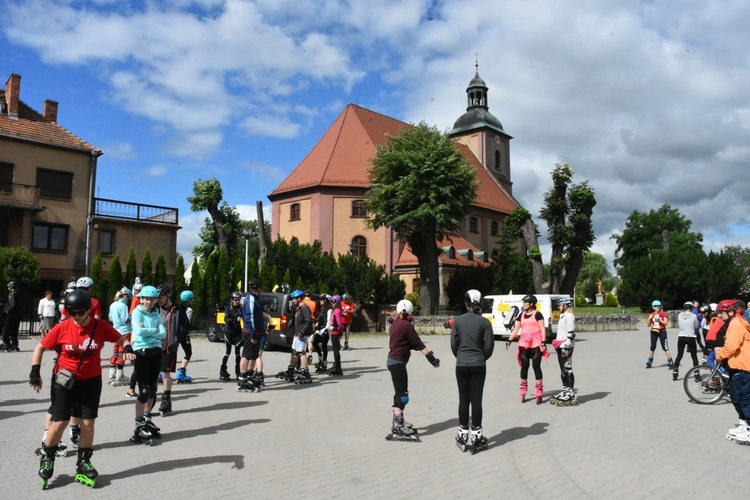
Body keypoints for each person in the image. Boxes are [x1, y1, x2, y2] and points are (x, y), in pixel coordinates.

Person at [29, 289, 134, 488]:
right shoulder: (63, 327)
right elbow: (40, 347)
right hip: (64, 381)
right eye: (72, 313)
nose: (76, 317)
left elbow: (121, 338)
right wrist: (35, 373)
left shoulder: (100, 326)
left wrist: (127, 348)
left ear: (88, 309)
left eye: (80, 312)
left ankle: (83, 462)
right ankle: (47, 455)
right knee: (60, 422)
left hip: (91, 381)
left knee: (88, 423)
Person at [386, 299, 440, 441]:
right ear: (410, 312)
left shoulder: (395, 323)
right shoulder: (406, 325)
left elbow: (401, 342)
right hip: (397, 362)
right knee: (403, 395)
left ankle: (399, 421)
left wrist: (410, 346)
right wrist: (432, 359)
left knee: (399, 392)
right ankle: (398, 425)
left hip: (393, 361)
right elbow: (419, 343)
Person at [451, 290, 493, 452]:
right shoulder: (484, 323)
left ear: (465, 302)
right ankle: (476, 434)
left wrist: (461, 356)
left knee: (463, 399)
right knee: (476, 400)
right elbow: (488, 346)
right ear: (480, 302)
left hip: (461, 364)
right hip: (478, 365)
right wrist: (481, 358)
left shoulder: (458, 321)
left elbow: (454, 344)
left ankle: (462, 433)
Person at [130, 285, 166, 444]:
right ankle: (138, 424)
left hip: (156, 351)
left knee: (153, 389)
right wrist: (155, 330)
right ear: (141, 299)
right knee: (144, 390)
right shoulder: (137, 312)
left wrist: (149, 330)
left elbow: (164, 333)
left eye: (152, 299)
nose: (149, 302)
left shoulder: (156, 312)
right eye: (146, 299)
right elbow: (138, 332)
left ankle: (147, 418)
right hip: (141, 352)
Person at [713, 299, 750, 444]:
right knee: (736, 398)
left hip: (742, 367)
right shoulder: (736, 323)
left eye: (721, 313)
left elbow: (731, 347)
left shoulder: (735, 324)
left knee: (743, 399)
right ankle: (743, 424)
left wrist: (719, 355)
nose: (719, 316)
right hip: (737, 366)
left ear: (731, 312)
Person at [156, 283, 191, 416]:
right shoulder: (155, 309)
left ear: (168, 296)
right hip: (155, 346)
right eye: (157, 298)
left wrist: (178, 338)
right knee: (154, 375)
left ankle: (166, 399)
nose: (158, 300)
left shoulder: (177, 310)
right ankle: (151, 398)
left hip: (169, 347)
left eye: (161, 297)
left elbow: (187, 326)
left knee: (165, 374)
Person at [506, 294, 547, 404]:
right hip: (524, 343)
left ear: (532, 304)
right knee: (524, 366)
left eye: (525, 302)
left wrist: (543, 342)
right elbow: (516, 328)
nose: (523, 304)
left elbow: (542, 329)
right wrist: (509, 340)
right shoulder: (521, 315)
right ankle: (523, 388)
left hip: (536, 343)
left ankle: (539, 389)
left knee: (536, 366)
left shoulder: (538, 315)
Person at [237, 279, 264, 392]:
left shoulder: (254, 299)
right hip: (250, 332)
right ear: (257, 288)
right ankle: (242, 378)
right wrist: (252, 333)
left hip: (256, 332)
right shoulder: (251, 299)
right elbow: (249, 316)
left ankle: (248, 375)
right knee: (247, 355)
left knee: (253, 355)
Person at [551, 297, 577, 406]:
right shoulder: (563, 316)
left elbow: (571, 333)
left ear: (565, 305)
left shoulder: (569, 316)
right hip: (560, 345)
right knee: (562, 369)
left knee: (567, 368)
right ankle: (565, 389)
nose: (558, 307)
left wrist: (566, 346)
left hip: (566, 346)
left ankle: (570, 391)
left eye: (559, 305)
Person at [284, 289, 314, 384]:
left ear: (299, 298)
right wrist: (291, 322)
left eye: (294, 299)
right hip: (296, 334)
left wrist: (302, 332)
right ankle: (291, 369)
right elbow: (295, 318)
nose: (293, 301)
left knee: (301, 352)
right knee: (294, 352)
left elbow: (308, 321)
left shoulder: (304, 308)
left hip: (302, 334)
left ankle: (305, 371)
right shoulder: (297, 308)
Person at [107, 287, 132, 386]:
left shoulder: (113, 304)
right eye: (128, 297)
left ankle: (111, 376)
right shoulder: (123, 306)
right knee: (122, 353)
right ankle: (119, 377)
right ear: (125, 296)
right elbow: (125, 319)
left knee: (115, 352)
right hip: (124, 331)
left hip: (115, 331)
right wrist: (132, 317)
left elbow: (110, 317)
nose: (128, 300)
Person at [673, 301, 700, 381]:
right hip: (690, 337)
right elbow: (696, 326)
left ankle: (675, 372)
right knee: (694, 356)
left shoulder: (679, 315)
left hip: (681, 336)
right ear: (691, 308)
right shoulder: (694, 316)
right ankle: (696, 374)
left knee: (679, 355)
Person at [221, 291, 244, 381]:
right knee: (228, 351)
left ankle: (238, 372)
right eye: (235, 300)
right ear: (232, 300)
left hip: (238, 332)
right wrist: (235, 318)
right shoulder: (228, 308)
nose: (237, 302)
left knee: (238, 352)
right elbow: (226, 319)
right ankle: (223, 370)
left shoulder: (240, 309)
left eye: (239, 300)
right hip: (229, 332)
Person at [646, 299, 673, 369]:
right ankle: (650, 360)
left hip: (662, 331)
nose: (657, 307)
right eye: (655, 306)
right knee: (652, 346)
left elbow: (666, 323)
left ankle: (670, 360)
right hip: (654, 331)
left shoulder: (663, 313)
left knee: (665, 346)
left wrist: (659, 319)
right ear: (653, 307)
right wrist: (649, 319)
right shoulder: (652, 314)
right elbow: (648, 325)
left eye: (658, 306)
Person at [309, 295, 331, 373]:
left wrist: (326, 329)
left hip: (325, 330)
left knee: (324, 346)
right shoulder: (321, 309)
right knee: (315, 343)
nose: (320, 301)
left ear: (326, 301)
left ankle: (324, 362)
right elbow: (319, 319)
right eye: (320, 300)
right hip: (319, 329)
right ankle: (321, 358)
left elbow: (329, 321)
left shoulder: (329, 310)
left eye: (322, 300)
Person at [327, 294, 345, 376]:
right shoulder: (336, 310)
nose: (331, 303)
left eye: (333, 301)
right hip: (333, 332)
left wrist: (337, 330)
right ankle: (337, 365)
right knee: (335, 349)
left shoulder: (337, 310)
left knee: (336, 350)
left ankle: (338, 367)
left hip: (335, 333)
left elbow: (340, 324)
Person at [2, 281, 20, 352]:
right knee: (14, 330)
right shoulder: (20, 294)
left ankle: (6, 343)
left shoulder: (12, 294)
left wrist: (6, 310)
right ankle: (15, 344)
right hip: (18, 315)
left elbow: (12, 305)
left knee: (6, 329)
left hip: (11, 315)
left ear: (11, 287)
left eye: (8, 287)